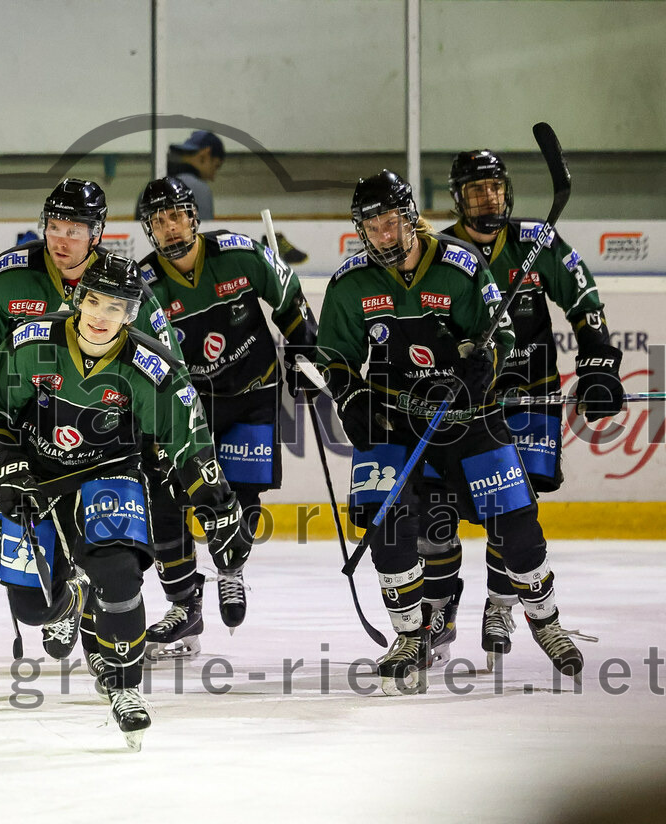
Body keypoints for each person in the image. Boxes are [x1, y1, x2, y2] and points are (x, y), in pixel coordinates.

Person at [315, 169, 591, 695]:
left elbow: (500, 334)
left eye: (390, 222)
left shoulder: (460, 266)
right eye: (372, 227)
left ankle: (546, 620)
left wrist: (483, 365)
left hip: (469, 416)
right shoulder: (350, 283)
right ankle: (409, 636)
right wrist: (350, 396)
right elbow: (335, 356)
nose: (383, 235)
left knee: (517, 525)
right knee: (388, 523)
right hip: (396, 419)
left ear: (410, 216)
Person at [0, 254, 248, 749]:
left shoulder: (149, 367)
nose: (101, 315)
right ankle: (72, 596)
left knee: (118, 574)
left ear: (131, 314)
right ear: (79, 299)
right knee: (33, 608)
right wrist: (5, 468)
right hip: (38, 479)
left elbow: (189, 442)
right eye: (94, 301)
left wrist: (219, 507)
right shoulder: (32, 342)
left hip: (109, 474)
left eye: (115, 307)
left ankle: (125, 685)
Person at [0, 178, 186, 669]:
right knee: (1, 536)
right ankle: (65, 595)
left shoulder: (120, 285)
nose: (62, 240)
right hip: (24, 442)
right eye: (55, 227)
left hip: (103, 440)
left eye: (74, 230)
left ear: (96, 233)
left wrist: (160, 442)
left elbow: (165, 365)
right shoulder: (8, 276)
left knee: (106, 543)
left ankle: (100, 617)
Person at [416, 149, 623, 667]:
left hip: (532, 394)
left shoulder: (537, 241)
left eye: (495, 187)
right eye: (476, 190)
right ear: (458, 199)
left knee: (513, 508)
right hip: (471, 404)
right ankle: (443, 609)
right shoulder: (441, 253)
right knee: (444, 509)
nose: (488, 198)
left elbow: (584, 300)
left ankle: (500, 602)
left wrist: (598, 364)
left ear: (507, 191)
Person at [135, 176, 319, 660]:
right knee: (168, 496)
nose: (170, 227)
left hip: (254, 390)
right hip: (187, 407)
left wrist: (305, 348)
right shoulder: (144, 283)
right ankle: (184, 606)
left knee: (243, 493)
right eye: (159, 220)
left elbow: (288, 297)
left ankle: (231, 568)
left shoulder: (238, 253)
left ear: (194, 217)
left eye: (177, 215)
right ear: (149, 229)